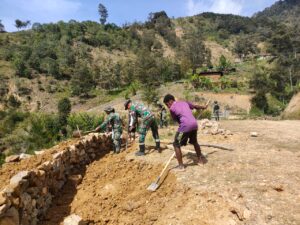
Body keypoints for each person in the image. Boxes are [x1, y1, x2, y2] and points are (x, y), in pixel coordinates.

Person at [163, 94, 208, 170]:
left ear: (170, 101)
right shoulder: (184, 102)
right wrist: (203, 107)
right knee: (194, 142)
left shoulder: (172, 109)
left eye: (167, 104)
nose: (168, 107)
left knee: (176, 144)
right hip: (194, 125)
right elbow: (195, 106)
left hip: (185, 127)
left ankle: (181, 166)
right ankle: (200, 161)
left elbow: (177, 120)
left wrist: (183, 130)